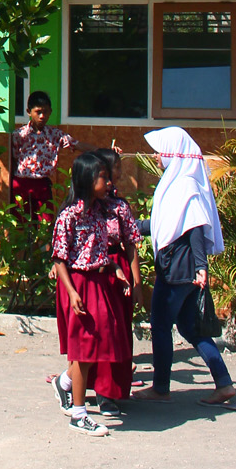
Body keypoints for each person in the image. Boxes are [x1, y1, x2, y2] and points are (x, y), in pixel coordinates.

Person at [134, 127, 236, 406]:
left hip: (178, 268)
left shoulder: (185, 185)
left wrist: (202, 267)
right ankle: (224, 383)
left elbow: (195, 229)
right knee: (191, 329)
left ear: (173, 152)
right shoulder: (176, 182)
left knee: (160, 324)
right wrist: (130, 226)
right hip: (182, 267)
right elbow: (164, 226)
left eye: (160, 151)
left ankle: (161, 386)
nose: (156, 157)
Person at [51, 151, 140, 438]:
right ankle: (79, 414)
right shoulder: (69, 216)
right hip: (79, 284)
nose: (109, 180)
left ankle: (65, 384)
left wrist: (116, 269)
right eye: (103, 176)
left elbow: (101, 252)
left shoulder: (103, 213)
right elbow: (59, 259)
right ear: (88, 180)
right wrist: (72, 293)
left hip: (100, 282)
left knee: (98, 345)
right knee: (83, 348)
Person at [85, 147, 143, 411]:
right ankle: (93, 388)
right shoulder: (84, 207)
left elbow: (131, 244)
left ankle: (113, 390)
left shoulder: (120, 206)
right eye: (114, 168)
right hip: (94, 272)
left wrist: (137, 281)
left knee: (119, 331)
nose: (118, 173)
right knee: (97, 331)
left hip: (118, 269)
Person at [11, 91, 88, 219]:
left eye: (45, 112)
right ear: (29, 111)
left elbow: (77, 144)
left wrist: (103, 150)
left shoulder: (55, 134)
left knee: (45, 222)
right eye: (38, 112)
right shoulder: (19, 135)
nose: (42, 116)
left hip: (42, 185)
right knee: (21, 223)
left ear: (50, 112)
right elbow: (12, 160)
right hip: (21, 184)